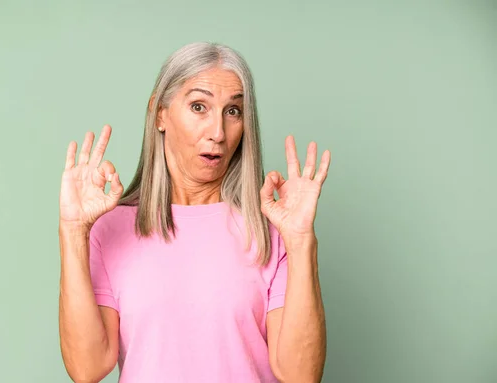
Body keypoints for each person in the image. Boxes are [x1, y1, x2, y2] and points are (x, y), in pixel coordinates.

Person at [58, 41, 331, 383]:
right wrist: (72, 231)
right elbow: (87, 368)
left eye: (233, 111)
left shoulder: (273, 232)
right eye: (199, 106)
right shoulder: (109, 230)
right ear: (160, 113)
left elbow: (301, 375)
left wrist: (302, 241)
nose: (218, 133)